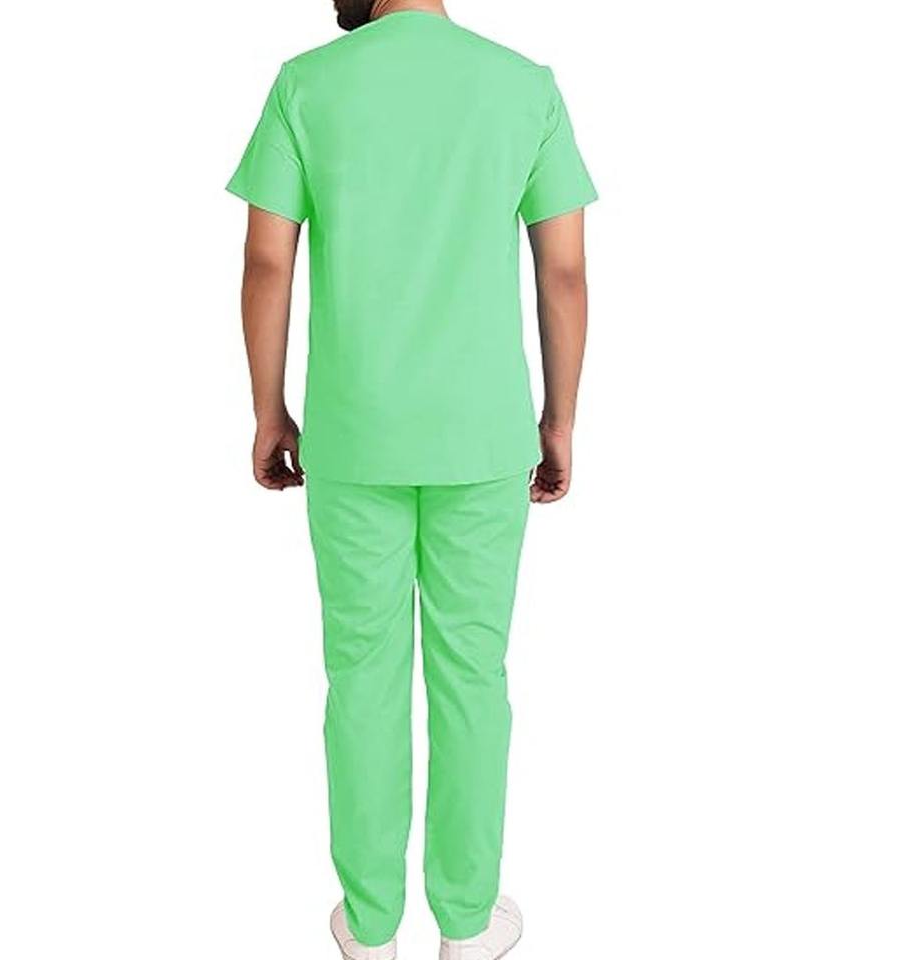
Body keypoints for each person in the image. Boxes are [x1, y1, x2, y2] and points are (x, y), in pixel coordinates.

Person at [227, 1, 596, 957]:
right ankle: (467, 925)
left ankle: (371, 925)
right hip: (484, 436)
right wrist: (558, 418)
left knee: (362, 675)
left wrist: (269, 410)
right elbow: (562, 273)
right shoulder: (524, 87)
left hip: (354, 437)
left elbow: (267, 262)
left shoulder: (308, 83)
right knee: (472, 673)